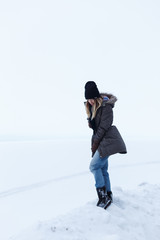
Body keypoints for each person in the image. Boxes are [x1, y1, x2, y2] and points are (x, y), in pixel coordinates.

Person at [84, 81, 127, 209]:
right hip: (101, 140)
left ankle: (103, 197)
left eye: (92, 98)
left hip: (107, 140)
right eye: (88, 98)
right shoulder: (92, 107)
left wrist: (96, 142)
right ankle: (108, 195)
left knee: (94, 166)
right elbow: (97, 128)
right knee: (103, 169)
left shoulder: (106, 107)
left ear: (97, 96)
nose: (90, 101)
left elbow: (103, 127)